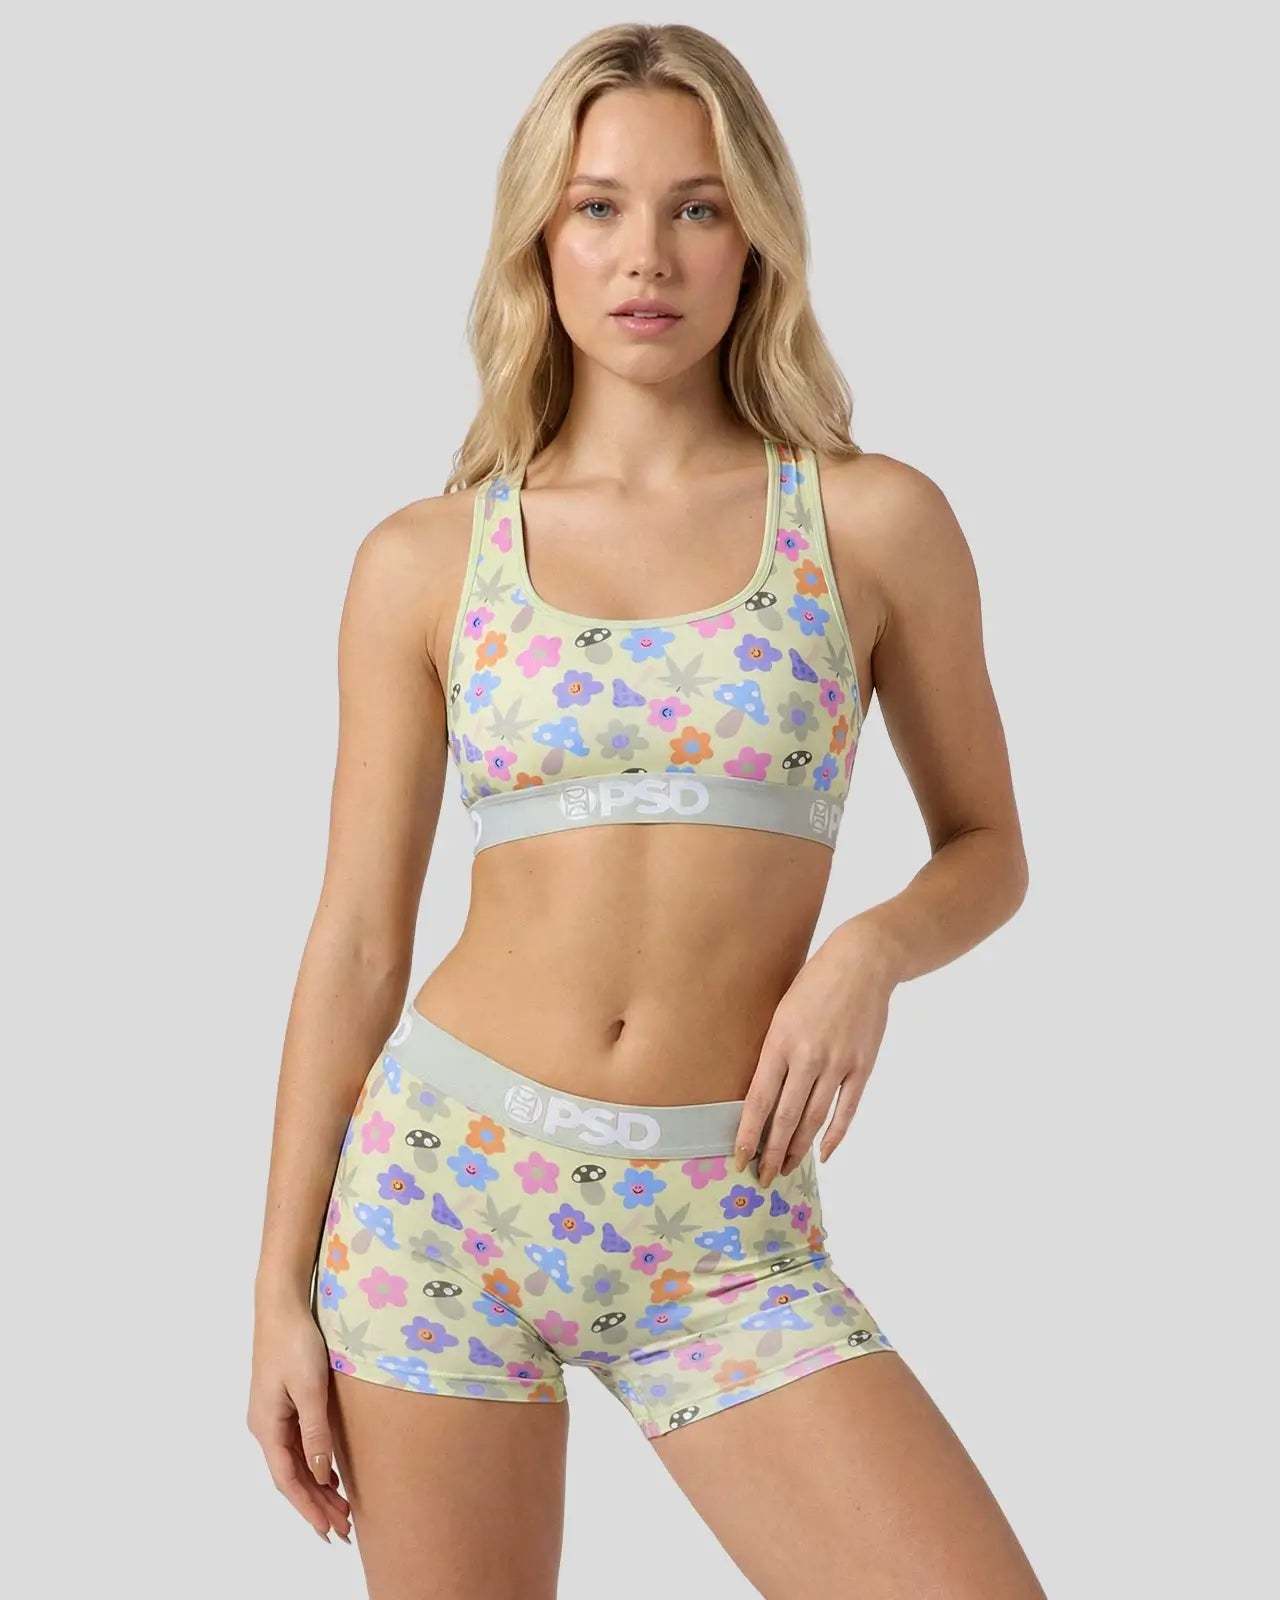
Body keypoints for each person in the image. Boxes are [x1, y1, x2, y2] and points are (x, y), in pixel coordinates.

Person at [248, 22, 1045, 1599]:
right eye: (598, 207)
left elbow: (990, 849)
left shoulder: (872, 524)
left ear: (757, 238)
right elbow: (356, 943)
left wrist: (869, 953)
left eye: (698, 207)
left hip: (722, 1229)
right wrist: (278, 1288)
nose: (647, 257)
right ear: (538, 239)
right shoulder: (426, 559)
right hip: (440, 1202)